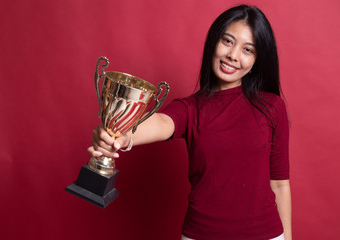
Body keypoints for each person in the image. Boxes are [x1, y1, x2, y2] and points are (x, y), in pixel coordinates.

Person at [88, 4, 292, 240]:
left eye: (248, 49)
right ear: (213, 42)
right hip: (201, 234)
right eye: (227, 41)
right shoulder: (190, 108)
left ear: (257, 59)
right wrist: (118, 134)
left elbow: (280, 184)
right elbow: (162, 123)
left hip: (266, 235)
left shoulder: (272, 106)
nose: (233, 55)